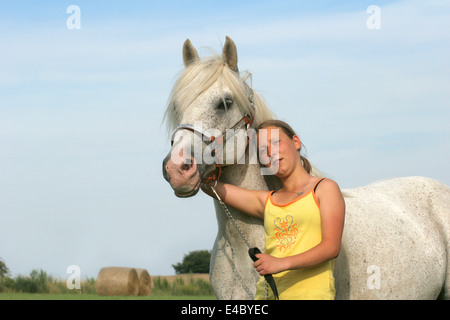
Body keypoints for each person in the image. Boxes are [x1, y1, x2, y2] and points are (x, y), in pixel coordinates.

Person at [202, 120, 345, 300]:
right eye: (262, 150)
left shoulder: (325, 188)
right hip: (268, 296)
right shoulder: (267, 201)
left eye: (276, 142)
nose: (270, 152)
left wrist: (280, 263)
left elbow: (331, 247)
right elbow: (210, 186)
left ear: (296, 142)